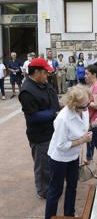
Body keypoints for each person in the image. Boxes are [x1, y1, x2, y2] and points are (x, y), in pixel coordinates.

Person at [45, 85, 93, 219]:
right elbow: (61, 145)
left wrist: (82, 151)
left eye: (87, 104)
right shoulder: (63, 118)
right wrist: (82, 140)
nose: (86, 108)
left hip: (74, 156)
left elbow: (83, 130)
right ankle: (49, 217)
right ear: (73, 105)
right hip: (59, 158)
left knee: (72, 186)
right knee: (56, 190)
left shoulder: (84, 109)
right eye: (83, 106)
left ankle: (69, 215)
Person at [18, 58, 60, 199]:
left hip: (51, 130)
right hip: (39, 135)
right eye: (45, 73)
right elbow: (32, 117)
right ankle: (44, 191)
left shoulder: (43, 83)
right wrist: (53, 113)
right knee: (42, 165)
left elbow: (53, 99)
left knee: (50, 162)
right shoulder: (27, 91)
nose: (47, 76)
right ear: (36, 72)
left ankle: (51, 185)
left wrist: (58, 107)